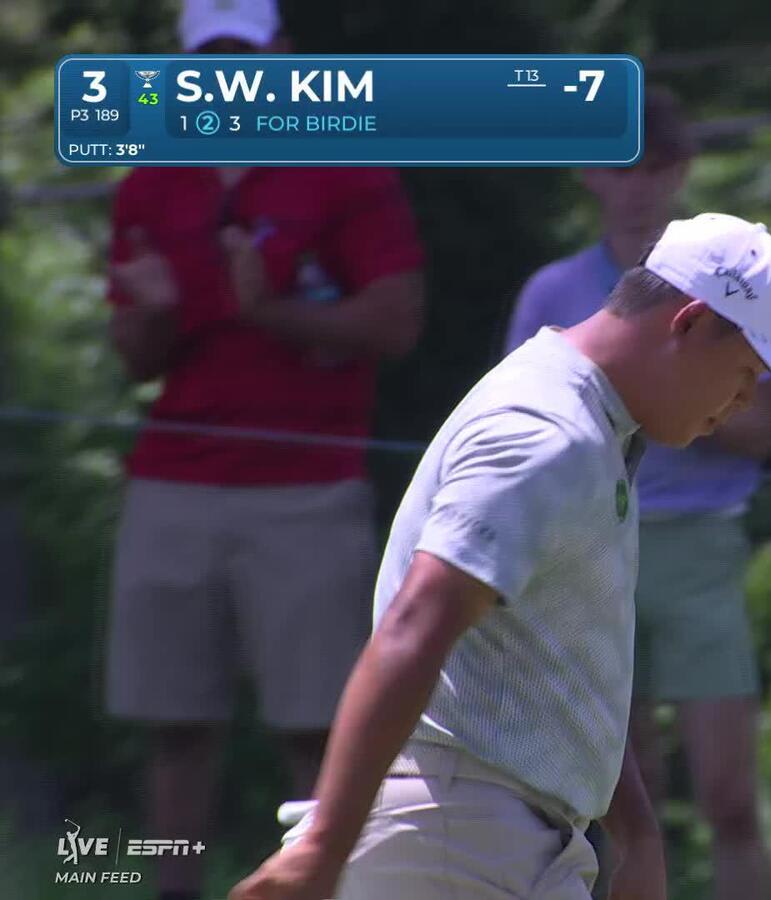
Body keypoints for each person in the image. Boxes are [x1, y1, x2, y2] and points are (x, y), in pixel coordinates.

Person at [228, 212, 771, 900]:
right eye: (746, 371)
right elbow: (414, 626)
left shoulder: (595, 427)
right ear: (690, 323)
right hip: (454, 838)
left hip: (486, 836)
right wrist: (326, 850)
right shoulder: (545, 434)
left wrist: (638, 834)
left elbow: (567, 671)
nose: (744, 401)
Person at [103, 3, 425, 899]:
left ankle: (322, 888)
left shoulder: (347, 169)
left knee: (319, 734)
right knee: (175, 728)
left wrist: (269, 312)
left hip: (308, 489)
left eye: (242, 59)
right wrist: (155, 314)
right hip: (173, 482)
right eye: (209, 63)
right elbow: (133, 357)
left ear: (282, 59)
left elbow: (398, 321)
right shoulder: (151, 181)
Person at [505, 90, 771, 900]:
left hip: (700, 544)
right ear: (590, 176)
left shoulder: (726, 280)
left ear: (682, 173)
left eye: (657, 166)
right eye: (621, 166)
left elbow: (759, 427)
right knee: (619, 803)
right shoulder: (550, 293)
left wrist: (669, 389)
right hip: (591, 546)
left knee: (730, 801)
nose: (637, 186)